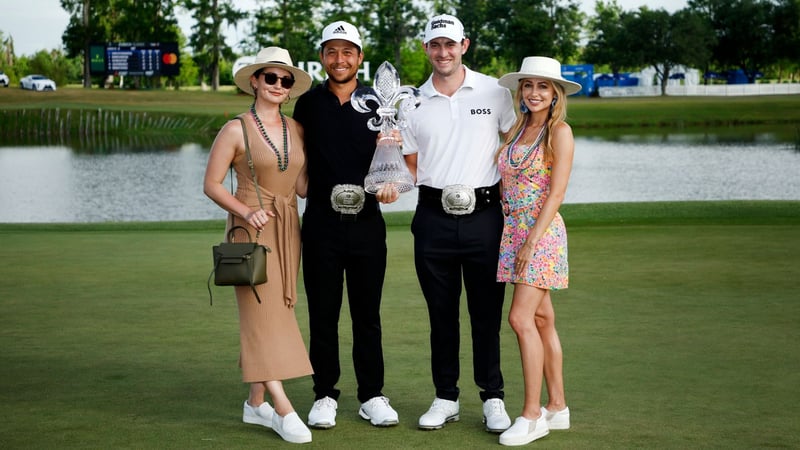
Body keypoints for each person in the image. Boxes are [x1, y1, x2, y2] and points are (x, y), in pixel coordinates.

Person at [400, 14, 517, 433]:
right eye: (435, 45)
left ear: (464, 44)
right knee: (441, 314)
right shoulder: (410, 100)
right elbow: (409, 166)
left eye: (450, 44)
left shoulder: (495, 90)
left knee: (486, 313)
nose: (443, 52)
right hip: (432, 218)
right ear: (425, 48)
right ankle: (446, 397)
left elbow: (512, 146)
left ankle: (493, 398)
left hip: (486, 216)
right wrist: (386, 180)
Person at [203, 46, 314, 444]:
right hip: (251, 230)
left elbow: (301, 185)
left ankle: (255, 403)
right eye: (271, 77)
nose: (279, 85)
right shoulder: (235, 128)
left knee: (277, 311)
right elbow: (212, 184)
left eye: (286, 80)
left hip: (288, 228)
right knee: (260, 315)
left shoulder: (296, 129)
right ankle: (282, 407)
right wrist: (246, 212)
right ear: (255, 81)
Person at [292, 20, 400, 429]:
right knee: (323, 313)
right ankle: (324, 394)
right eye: (332, 52)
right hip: (320, 222)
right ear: (322, 57)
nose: (340, 59)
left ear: (360, 57)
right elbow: (298, 155)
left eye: (348, 52)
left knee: (366, 315)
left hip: (368, 224)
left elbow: (393, 158)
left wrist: (391, 183)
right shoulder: (307, 102)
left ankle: (372, 394)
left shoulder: (378, 103)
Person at [493, 56, 579, 446]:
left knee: (520, 319)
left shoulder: (558, 132)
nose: (534, 93)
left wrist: (530, 241)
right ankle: (557, 407)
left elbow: (557, 192)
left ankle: (531, 415)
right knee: (543, 321)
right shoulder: (515, 129)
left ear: (555, 93)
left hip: (540, 234)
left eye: (543, 86)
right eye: (528, 86)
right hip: (513, 230)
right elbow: (504, 180)